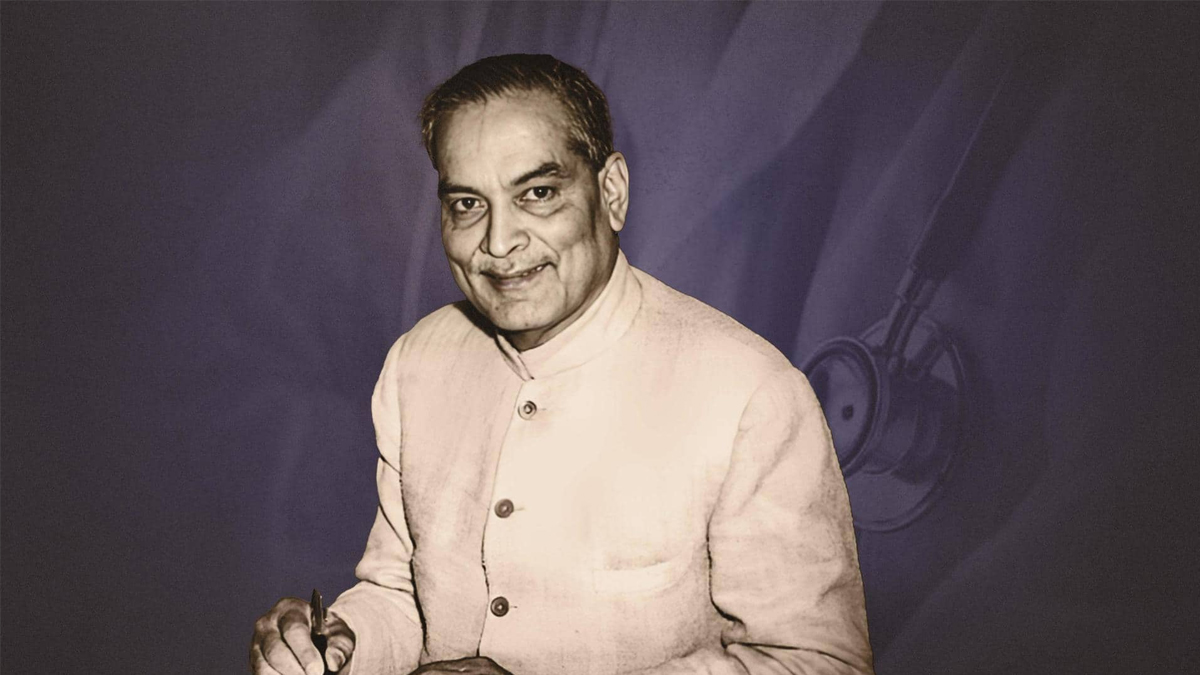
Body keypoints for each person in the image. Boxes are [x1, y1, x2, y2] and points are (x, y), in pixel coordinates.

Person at [251, 53, 873, 675]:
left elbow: (822, 663)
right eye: (467, 204)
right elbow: (404, 594)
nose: (499, 243)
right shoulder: (418, 362)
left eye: (538, 194)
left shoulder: (749, 392)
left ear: (611, 192)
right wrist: (338, 646)